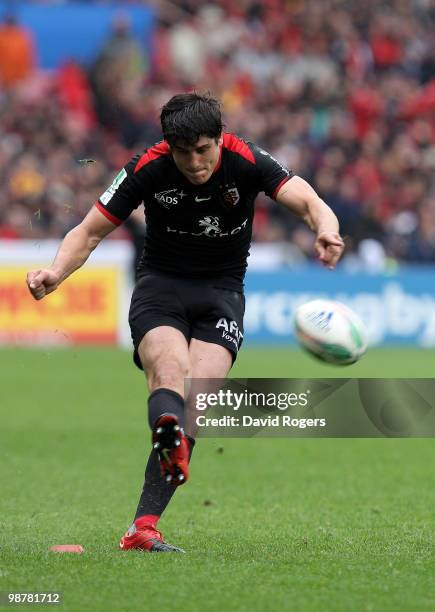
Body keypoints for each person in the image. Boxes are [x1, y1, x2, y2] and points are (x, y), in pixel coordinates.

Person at [26, 93, 344, 553]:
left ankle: (143, 526)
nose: (194, 162)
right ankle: (166, 432)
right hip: (161, 288)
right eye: (183, 152)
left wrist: (326, 230)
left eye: (203, 150)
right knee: (170, 369)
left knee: (200, 393)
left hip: (222, 295)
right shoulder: (146, 168)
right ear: (168, 146)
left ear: (219, 139)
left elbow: (310, 200)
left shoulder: (247, 159)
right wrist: (56, 271)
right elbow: (90, 231)